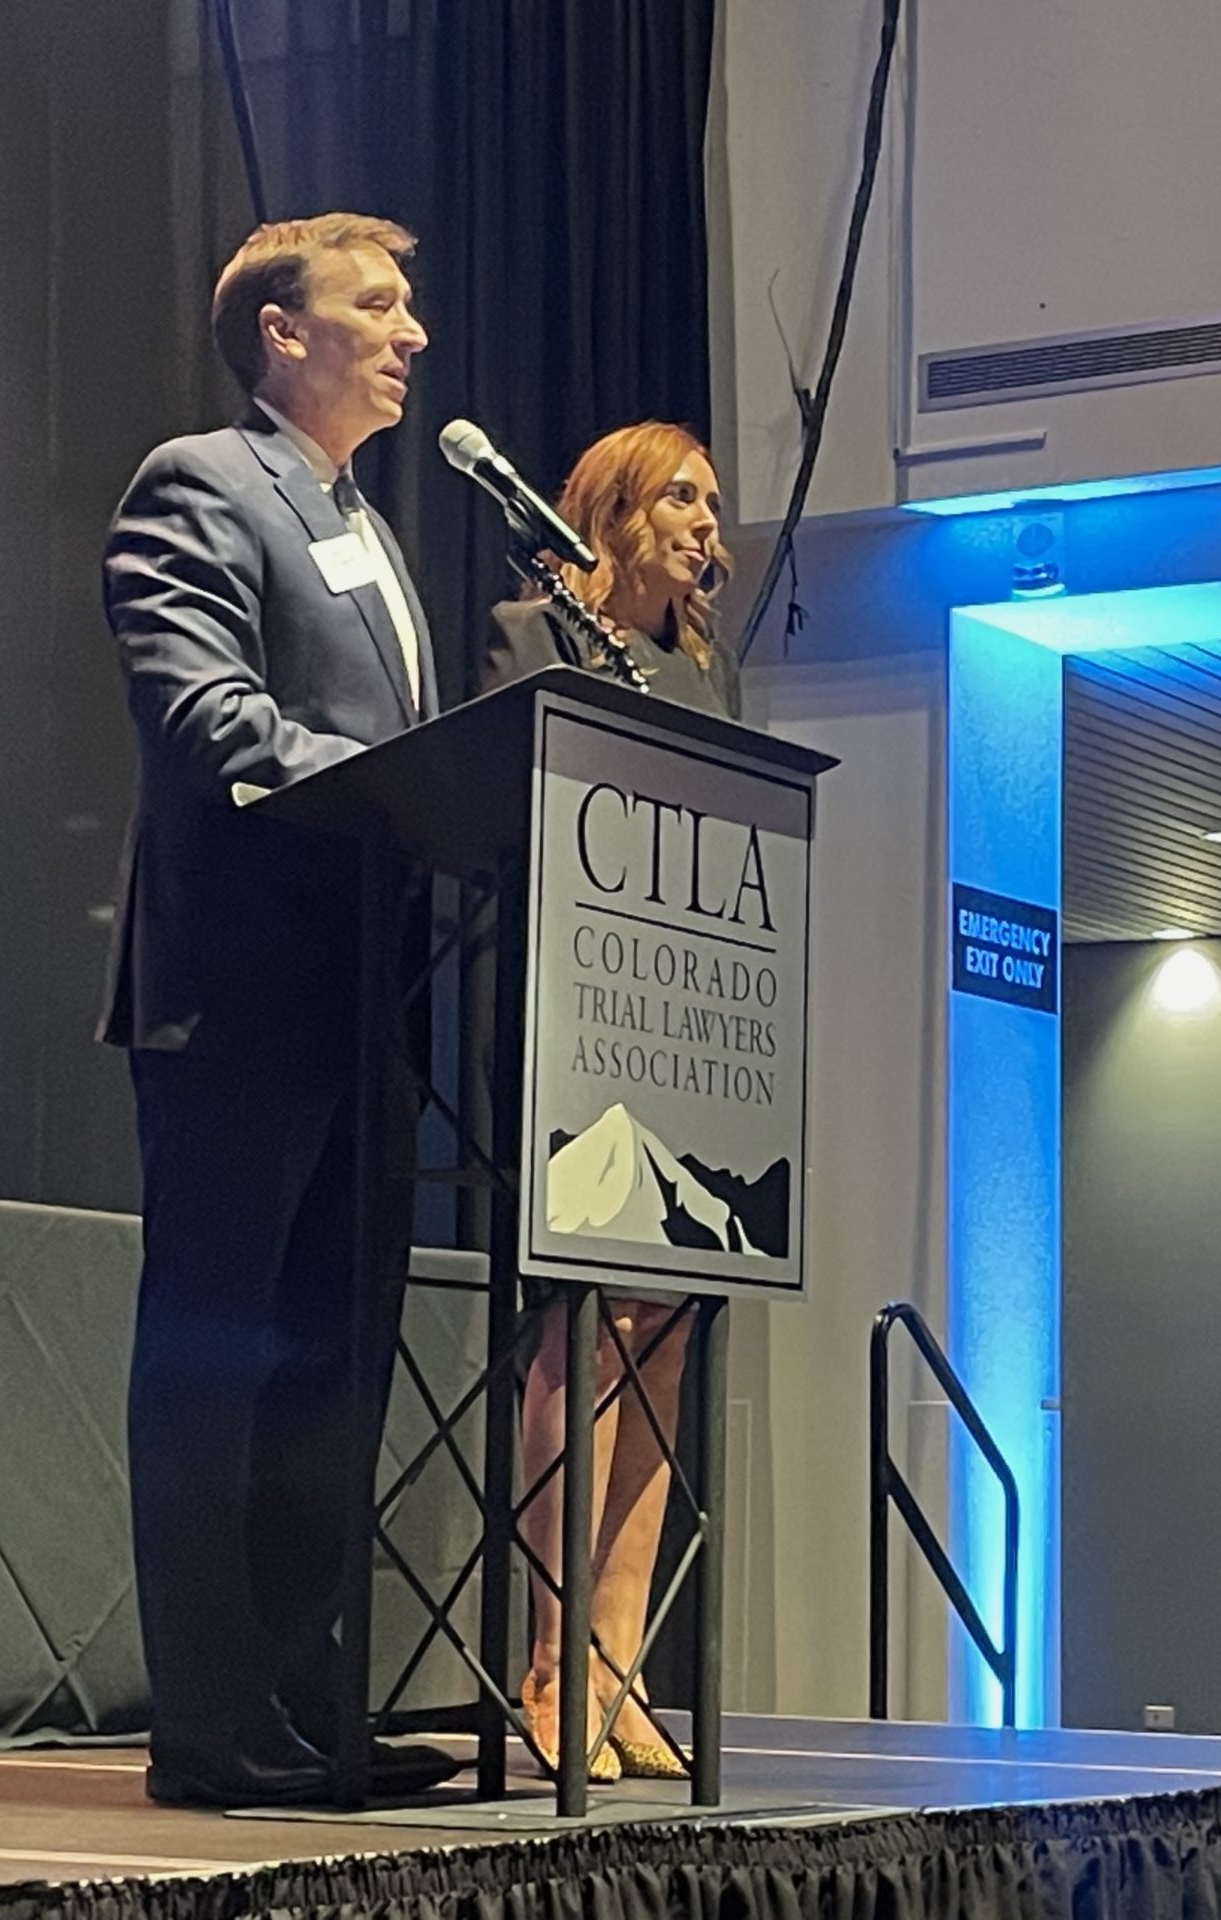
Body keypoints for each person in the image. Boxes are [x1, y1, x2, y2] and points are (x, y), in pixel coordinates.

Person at [100, 212, 456, 1810]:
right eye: (374, 306)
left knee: (336, 1366)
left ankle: (310, 1710)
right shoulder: (199, 482)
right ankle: (207, 1727)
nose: (411, 333)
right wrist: (404, 793)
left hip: (366, 1005)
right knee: (219, 1360)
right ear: (281, 337)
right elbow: (205, 714)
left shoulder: (369, 525)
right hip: (237, 1002)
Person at [479, 422, 737, 1779]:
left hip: (694, 1042)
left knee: (666, 1337)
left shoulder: (702, 676)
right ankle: (549, 1657)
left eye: (710, 503)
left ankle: (622, 1666)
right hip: (575, 1025)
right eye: (679, 498)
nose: (705, 523)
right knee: (584, 1330)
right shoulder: (533, 640)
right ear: (610, 513)